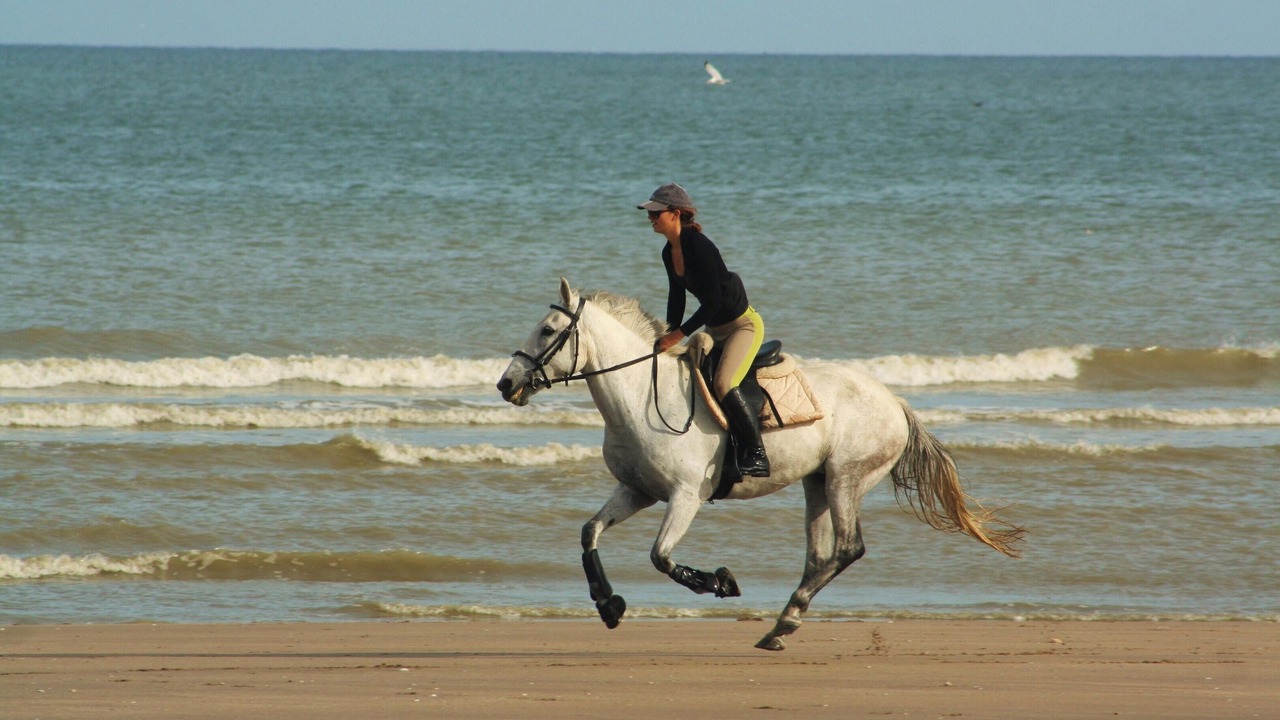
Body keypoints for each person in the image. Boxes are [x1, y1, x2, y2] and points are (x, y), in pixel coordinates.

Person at [637, 183, 769, 478]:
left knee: (723, 383)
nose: (650, 218)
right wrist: (667, 333)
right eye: (649, 213)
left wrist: (678, 336)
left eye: (656, 213)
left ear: (675, 214)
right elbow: (677, 297)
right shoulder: (669, 251)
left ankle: (757, 454)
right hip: (714, 328)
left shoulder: (700, 247)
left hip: (742, 327)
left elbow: (713, 303)